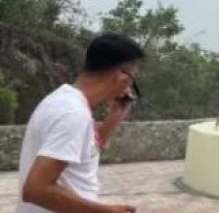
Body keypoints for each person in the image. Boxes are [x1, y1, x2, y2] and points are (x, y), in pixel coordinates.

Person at [17, 33, 144, 213]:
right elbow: (36, 190)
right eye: (133, 81)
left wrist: (114, 118)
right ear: (122, 78)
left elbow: (83, 153)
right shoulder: (73, 114)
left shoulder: (63, 101)